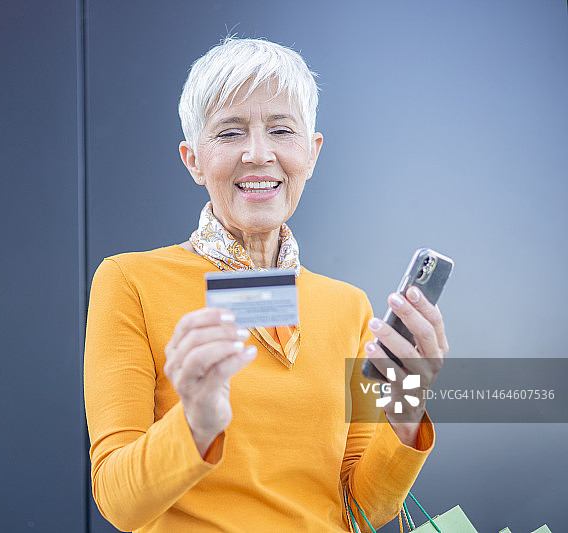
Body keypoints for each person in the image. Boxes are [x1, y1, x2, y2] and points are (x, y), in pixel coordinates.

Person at [84, 37, 448, 532]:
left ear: (311, 152)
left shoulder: (347, 307)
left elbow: (362, 509)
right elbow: (118, 502)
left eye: (281, 130)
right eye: (230, 133)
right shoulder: (131, 283)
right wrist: (196, 423)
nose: (258, 154)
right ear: (192, 159)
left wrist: (409, 402)